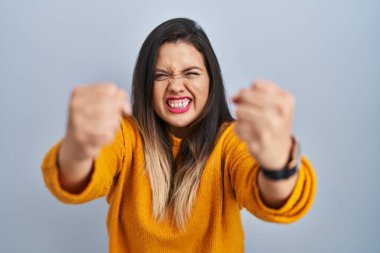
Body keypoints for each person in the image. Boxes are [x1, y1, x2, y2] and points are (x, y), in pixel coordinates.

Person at [41, 17, 316, 253]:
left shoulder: (231, 141)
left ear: (211, 79)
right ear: (146, 84)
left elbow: (278, 200)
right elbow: (73, 181)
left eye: (191, 73)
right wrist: (78, 149)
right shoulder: (126, 136)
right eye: (161, 75)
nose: (175, 86)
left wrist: (278, 164)